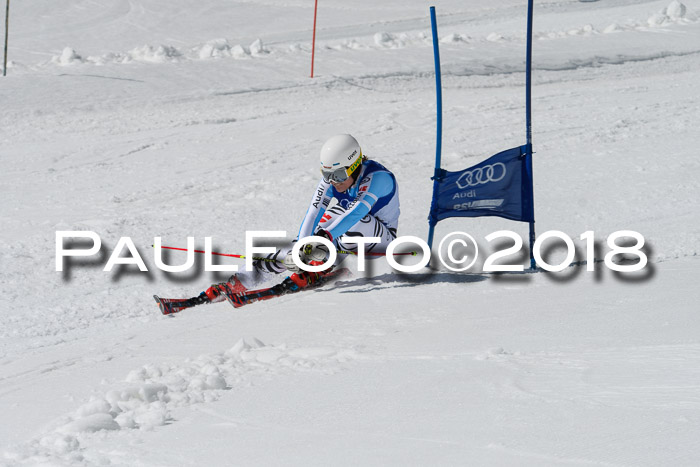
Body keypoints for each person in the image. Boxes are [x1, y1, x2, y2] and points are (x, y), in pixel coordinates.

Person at [199, 134, 400, 304]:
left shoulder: (378, 178)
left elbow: (356, 212)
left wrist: (322, 239)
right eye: (326, 174)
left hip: (380, 242)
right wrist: (302, 248)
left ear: (354, 165)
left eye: (338, 175)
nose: (332, 181)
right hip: (346, 234)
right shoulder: (333, 179)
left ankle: (320, 267)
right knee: (303, 242)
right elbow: (314, 212)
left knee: (343, 224)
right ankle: (245, 278)